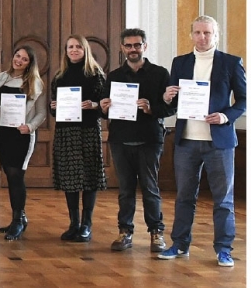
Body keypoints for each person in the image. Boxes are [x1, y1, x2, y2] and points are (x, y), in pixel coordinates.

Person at [158, 16, 246, 267]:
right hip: (186, 140)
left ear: (216, 35)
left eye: (207, 32)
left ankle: (224, 250)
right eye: (197, 32)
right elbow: (175, 102)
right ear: (191, 35)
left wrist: (225, 116)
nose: (202, 37)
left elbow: (243, 100)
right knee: (184, 196)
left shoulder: (231, 62)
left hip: (219, 141)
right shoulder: (180, 62)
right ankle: (179, 244)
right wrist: (167, 97)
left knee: (223, 199)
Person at [97, 29, 170, 252]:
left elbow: (170, 108)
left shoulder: (160, 74)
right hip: (120, 140)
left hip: (149, 139)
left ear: (145, 46)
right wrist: (103, 108)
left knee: (150, 188)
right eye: (128, 46)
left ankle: (156, 233)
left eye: (137, 45)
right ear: (122, 48)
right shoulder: (114, 76)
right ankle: (125, 232)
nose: (133, 49)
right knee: (125, 190)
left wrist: (151, 109)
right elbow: (104, 112)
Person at [50, 35, 108, 243]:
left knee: (89, 178)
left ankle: (86, 225)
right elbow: (53, 109)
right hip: (66, 132)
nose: (74, 50)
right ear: (65, 51)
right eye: (70, 47)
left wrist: (94, 105)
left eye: (78, 47)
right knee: (70, 179)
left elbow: (105, 105)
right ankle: (73, 223)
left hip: (88, 130)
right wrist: (53, 107)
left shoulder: (96, 75)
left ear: (85, 50)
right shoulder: (59, 76)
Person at [0, 45, 48, 241]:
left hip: (22, 134)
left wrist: (30, 127)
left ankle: (18, 219)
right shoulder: (3, 77)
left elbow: (41, 112)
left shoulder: (35, 83)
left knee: (17, 176)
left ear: (30, 63)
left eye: (25, 59)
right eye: (18, 56)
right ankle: (18, 217)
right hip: (4, 132)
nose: (19, 61)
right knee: (9, 174)